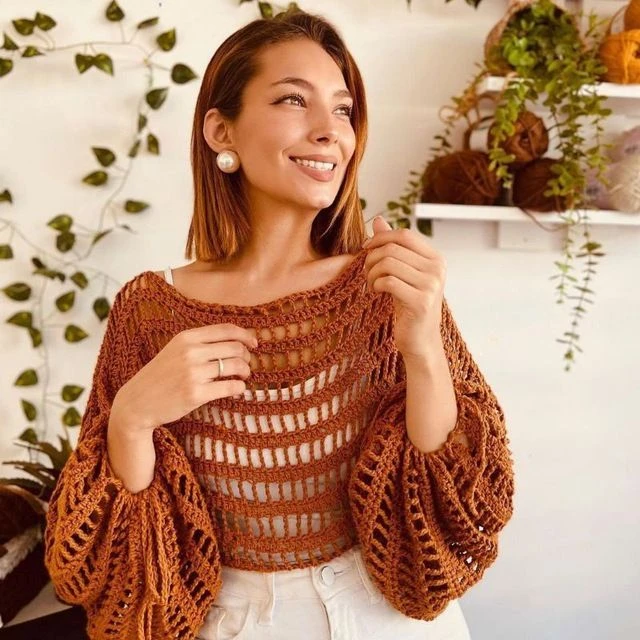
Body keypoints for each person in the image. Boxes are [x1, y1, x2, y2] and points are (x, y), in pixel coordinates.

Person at [43, 8, 515, 640]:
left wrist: (423, 347)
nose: (329, 132)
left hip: (387, 621)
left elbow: (463, 504)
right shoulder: (149, 310)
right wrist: (130, 418)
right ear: (221, 130)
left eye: (344, 110)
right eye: (294, 100)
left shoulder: (387, 287)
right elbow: (105, 565)